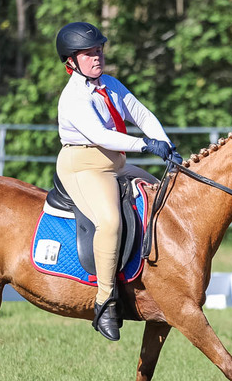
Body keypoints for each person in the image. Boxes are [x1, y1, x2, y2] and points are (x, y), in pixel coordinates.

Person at [55, 21, 180, 342]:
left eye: (99, 51)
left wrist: (165, 144)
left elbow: (142, 115)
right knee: (109, 223)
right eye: (88, 54)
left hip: (116, 162)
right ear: (71, 60)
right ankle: (105, 302)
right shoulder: (73, 97)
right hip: (84, 166)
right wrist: (145, 145)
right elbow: (100, 135)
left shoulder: (110, 84)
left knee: (164, 198)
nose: (97, 57)